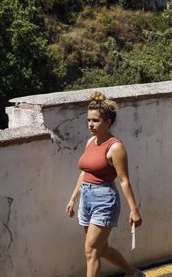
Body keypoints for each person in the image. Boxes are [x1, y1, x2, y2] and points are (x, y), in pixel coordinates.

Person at [65, 92, 144, 277]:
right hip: (86, 197)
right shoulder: (91, 141)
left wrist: (134, 210)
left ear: (108, 122)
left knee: (91, 250)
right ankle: (133, 273)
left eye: (95, 120)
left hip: (104, 200)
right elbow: (85, 172)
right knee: (102, 249)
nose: (90, 124)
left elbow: (124, 180)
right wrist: (73, 199)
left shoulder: (115, 147)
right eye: (88, 120)